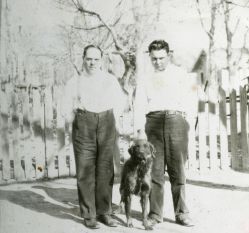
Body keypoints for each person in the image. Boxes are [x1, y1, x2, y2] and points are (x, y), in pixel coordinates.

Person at [62, 45, 126, 229]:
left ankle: (104, 212)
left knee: (105, 169)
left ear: (101, 61)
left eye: (96, 59)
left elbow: (120, 101)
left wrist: (113, 117)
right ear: (83, 58)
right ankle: (89, 214)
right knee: (85, 169)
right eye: (89, 59)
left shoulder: (110, 80)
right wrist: (76, 116)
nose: (92, 63)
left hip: (106, 122)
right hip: (84, 124)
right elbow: (65, 105)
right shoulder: (75, 81)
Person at [133, 39, 196, 227]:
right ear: (149, 57)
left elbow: (191, 100)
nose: (158, 62)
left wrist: (187, 124)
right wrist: (140, 131)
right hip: (153, 123)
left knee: (178, 171)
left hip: (176, 121)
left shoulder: (181, 74)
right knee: (155, 172)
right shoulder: (144, 78)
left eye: (161, 58)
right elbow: (139, 105)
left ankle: (182, 213)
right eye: (154, 59)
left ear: (168, 55)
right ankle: (155, 214)